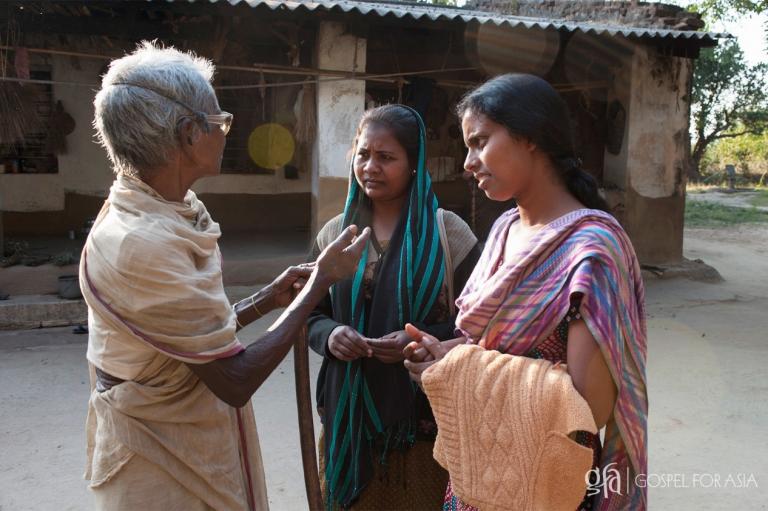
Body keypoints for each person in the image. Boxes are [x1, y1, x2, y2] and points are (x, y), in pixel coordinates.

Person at [81, 42, 370, 511]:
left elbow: (192, 337)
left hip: (182, 440)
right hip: (159, 459)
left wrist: (267, 300)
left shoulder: (169, 208)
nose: (225, 133)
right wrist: (320, 284)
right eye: (221, 122)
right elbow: (233, 380)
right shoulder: (141, 241)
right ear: (190, 133)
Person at [403, 74, 648, 510]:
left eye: (480, 142)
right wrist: (446, 354)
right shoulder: (503, 230)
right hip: (479, 471)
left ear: (530, 136)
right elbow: (490, 346)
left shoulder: (591, 251)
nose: (468, 161)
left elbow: (589, 404)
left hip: (545, 478)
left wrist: (462, 366)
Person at [307, 104, 481, 509]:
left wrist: (419, 336)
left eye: (386, 157)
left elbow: (480, 325)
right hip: (348, 417)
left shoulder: (449, 234)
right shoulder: (336, 234)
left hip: (423, 421)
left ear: (414, 163)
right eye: (363, 154)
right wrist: (331, 334)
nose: (370, 166)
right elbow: (309, 314)